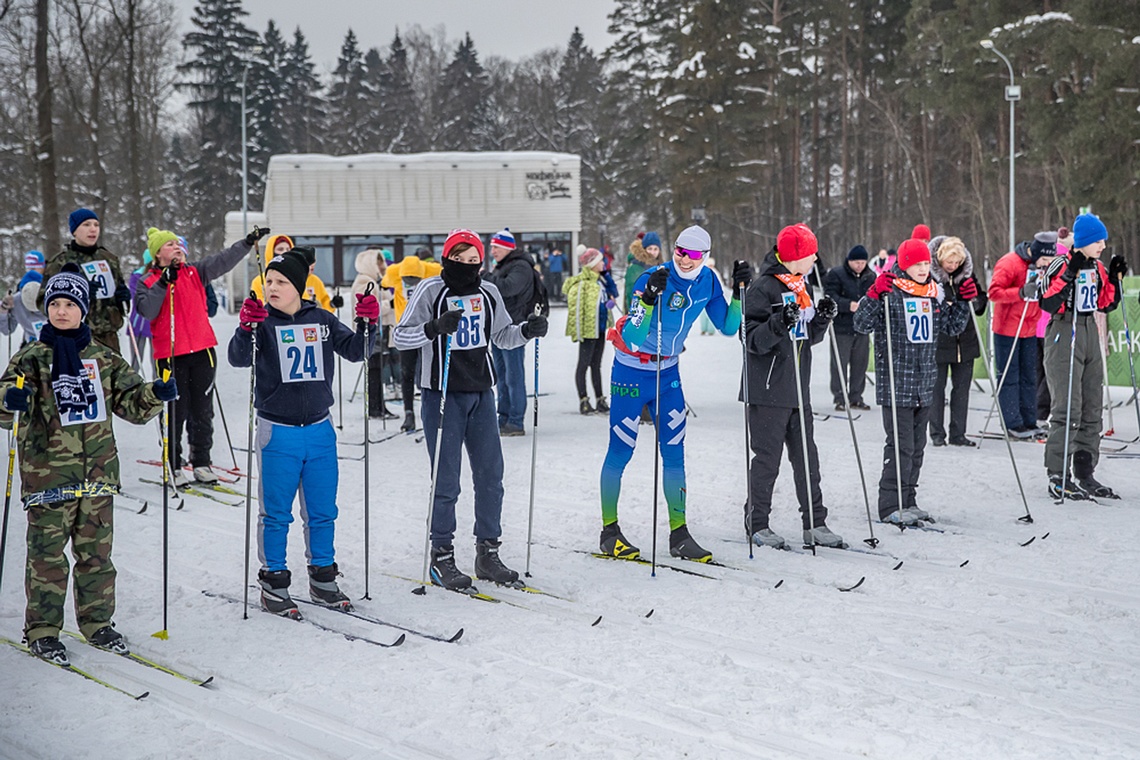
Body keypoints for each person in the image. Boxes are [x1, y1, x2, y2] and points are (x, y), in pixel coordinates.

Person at [0, 265, 176, 665]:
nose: (62, 311)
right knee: (47, 557)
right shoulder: (32, 356)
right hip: (49, 476)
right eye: (55, 304)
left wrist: (155, 392)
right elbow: (5, 397)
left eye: (70, 304)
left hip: (97, 475)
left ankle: (97, 622)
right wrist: (10, 399)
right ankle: (43, 629)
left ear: (83, 309)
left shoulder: (102, 357)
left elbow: (131, 402)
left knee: (96, 556)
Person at [393, 229, 548, 591]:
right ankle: (442, 556)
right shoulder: (430, 290)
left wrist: (527, 330)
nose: (466, 266)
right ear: (447, 258)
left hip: (481, 393)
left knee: (491, 477)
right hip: (442, 396)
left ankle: (487, 553)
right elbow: (401, 335)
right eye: (459, 259)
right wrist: (433, 328)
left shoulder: (489, 291)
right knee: (447, 481)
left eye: (473, 260)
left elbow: (502, 335)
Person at [228, 249, 378, 616]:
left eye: (280, 282)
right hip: (278, 431)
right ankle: (274, 581)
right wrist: (246, 326)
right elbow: (237, 358)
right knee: (277, 513)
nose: (272, 287)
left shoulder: (321, 319)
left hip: (319, 429)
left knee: (323, 510)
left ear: (299, 286)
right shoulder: (263, 322)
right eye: (269, 282)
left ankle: (323, 575)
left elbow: (359, 352)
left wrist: (369, 324)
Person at [599, 226, 749, 562]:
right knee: (621, 450)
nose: (683, 259)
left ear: (705, 257)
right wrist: (650, 298)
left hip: (667, 373)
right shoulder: (653, 278)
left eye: (693, 254)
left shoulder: (708, 281)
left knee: (675, 452)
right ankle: (609, 532)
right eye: (679, 251)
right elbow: (635, 336)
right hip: (631, 371)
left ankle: (679, 534)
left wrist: (739, 292)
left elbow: (727, 327)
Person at [136, 226, 268, 486]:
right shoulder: (148, 281)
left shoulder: (195, 272)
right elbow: (148, 310)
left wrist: (246, 243)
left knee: (202, 411)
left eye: (178, 243)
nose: (177, 247)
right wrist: (165, 281)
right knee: (175, 410)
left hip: (202, 351)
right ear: (157, 254)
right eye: (169, 244)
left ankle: (201, 462)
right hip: (170, 355)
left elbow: (223, 260)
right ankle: (173, 464)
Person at [854, 238, 971, 525]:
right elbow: (861, 323)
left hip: (924, 382)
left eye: (925, 264)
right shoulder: (891, 292)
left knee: (917, 446)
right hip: (896, 381)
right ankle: (889, 503)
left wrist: (964, 302)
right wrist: (872, 296)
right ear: (904, 265)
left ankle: (909, 499)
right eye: (916, 264)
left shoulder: (933, 293)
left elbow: (952, 326)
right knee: (900, 445)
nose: (922, 269)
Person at [742, 224, 845, 550]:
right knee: (767, 460)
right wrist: (778, 322)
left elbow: (806, 337)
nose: (816, 257)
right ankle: (757, 523)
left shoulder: (801, 285)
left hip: (798, 388)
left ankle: (814, 523)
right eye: (810, 253)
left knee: (807, 459)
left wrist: (822, 320)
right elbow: (751, 340)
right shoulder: (763, 288)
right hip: (769, 389)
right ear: (795, 257)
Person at [1039, 213, 1123, 499]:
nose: (1102, 245)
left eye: (1104, 240)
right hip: (1065, 332)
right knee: (1066, 409)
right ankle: (1058, 473)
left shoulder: (1097, 267)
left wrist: (1114, 278)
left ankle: (1085, 471)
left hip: (1089, 330)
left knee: (1091, 408)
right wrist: (1069, 274)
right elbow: (1047, 301)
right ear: (1084, 241)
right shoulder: (1060, 264)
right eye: (1097, 241)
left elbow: (1106, 303)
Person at [988, 231, 1057, 438]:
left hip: (1029, 328)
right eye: (1044, 259)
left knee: (1029, 376)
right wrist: (1019, 292)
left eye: (1049, 260)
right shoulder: (1010, 263)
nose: (1046, 263)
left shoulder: (1044, 267)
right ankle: (1012, 422)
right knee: (1010, 376)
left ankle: (1029, 419)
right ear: (1035, 253)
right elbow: (994, 292)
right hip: (1007, 329)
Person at [41, 209, 131, 353]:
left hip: (109, 338)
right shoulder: (60, 262)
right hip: (76, 336)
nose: (92, 229)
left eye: (96, 225)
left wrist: (123, 298)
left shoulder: (109, 259)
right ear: (75, 231)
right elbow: (42, 301)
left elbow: (118, 293)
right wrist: (78, 293)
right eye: (86, 225)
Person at [928, 236, 988, 447]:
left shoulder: (967, 276)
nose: (953, 267)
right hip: (940, 341)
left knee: (961, 390)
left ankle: (958, 433)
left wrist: (975, 298)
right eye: (949, 263)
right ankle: (936, 433)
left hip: (966, 341)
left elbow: (980, 306)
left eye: (956, 263)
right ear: (940, 260)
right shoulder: (931, 279)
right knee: (936, 389)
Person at [382, 248, 442, 432]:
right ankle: (409, 413)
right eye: (407, 281)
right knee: (406, 372)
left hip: (427, 329)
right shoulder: (394, 272)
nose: (411, 283)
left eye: (415, 280)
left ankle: (433, 411)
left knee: (431, 372)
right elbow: (384, 282)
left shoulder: (431, 269)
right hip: (406, 330)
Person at [484, 227, 534, 437]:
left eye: (496, 247)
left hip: (515, 326)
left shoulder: (521, 266)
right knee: (501, 376)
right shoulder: (502, 266)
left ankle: (515, 420)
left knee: (514, 376)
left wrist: (485, 277)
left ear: (507, 247)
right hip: (499, 326)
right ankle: (503, 416)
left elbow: (507, 288)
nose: (492, 251)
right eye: (491, 247)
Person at [563, 247, 617, 414]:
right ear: (592, 264)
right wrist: (578, 330)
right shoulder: (584, 284)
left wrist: (607, 279)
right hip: (588, 330)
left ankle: (600, 398)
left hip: (600, 328)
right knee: (584, 364)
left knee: (596, 365)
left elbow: (613, 292)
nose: (604, 263)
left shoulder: (600, 281)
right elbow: (578, 308)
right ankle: (584, 399)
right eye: (600, 261)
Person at [823, 245, 874, 411]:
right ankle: (840, 397)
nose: (860, 265)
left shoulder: (870, 276)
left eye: (862, 262)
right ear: (850, 261)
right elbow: (830, 297)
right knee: (840, 364)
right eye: (856, 262)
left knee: (860, 364)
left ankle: (856, 396)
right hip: (841, 327)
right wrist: (847, 305)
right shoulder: (837, 274)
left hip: (862, 328)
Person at [351, 247, 398, 419]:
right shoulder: (365, 282)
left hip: (379, 331)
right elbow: (368, 309)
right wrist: (390, 305)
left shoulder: (374, 281)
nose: (381, 266)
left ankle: (379, 406)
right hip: (371, 332)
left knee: (378, 370)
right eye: (378, 262)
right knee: (374, 371)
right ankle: (375, 408)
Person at [1, 251, 47, 347]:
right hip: (30, 348)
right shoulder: (17, 298)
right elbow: (7, 329)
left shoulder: (52, 290)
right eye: (29, 268)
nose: (31, 271)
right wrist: (3, 309)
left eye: (35, 267)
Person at [127, 252, 154, 371]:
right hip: (139, 323)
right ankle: (134, 386)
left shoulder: (162, 275)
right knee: (136, 360)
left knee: (158, 363)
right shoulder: (137, 276)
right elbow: (137, 297)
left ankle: (158, 387)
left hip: (157, 324)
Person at [624, 231, 662, 313]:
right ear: (644, 250)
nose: (653, 252)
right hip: (641, 311)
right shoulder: (636, 266)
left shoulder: (659, 265)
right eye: (650, 249)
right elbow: (632, 291)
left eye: (655, 249)